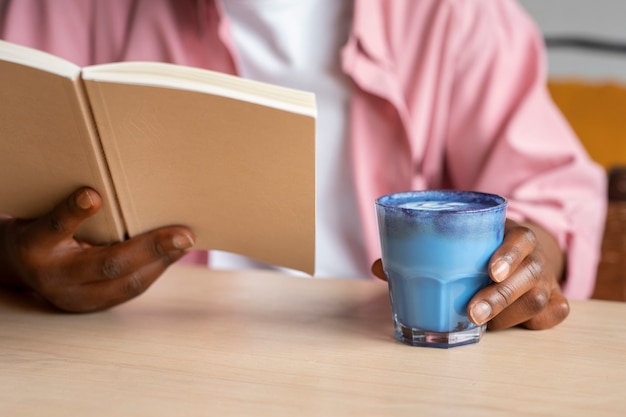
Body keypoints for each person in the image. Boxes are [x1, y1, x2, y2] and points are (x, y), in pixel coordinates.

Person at [0, 0, 607, 330]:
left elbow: (550, 201)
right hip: (134, 353)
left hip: (384, 360)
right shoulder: (63, 7)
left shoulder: (454, 14)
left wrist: (524, 266)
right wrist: (18, 260)